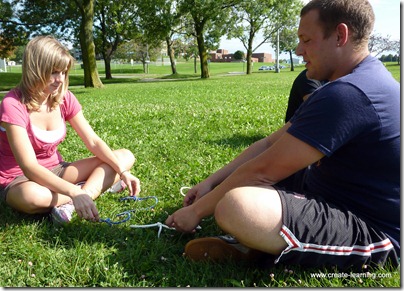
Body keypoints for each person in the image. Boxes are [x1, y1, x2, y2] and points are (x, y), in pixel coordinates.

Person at [165, 0, 400, 271]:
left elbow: (262, 171)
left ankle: (259, 247)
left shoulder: (350, 94)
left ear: (340, 35)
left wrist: (195, 212)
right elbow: (268, 144)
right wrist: (211, 182)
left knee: (237, 206)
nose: (299, 50)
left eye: (306, 40)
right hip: (330, 191)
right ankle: (262, 241)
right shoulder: (352, 82)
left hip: (375, 229)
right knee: (243, 190)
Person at [0, 35, 141, 224]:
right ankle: (90, 190)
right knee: (31, 197)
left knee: (124, 157)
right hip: (20, 179)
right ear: (36, 69)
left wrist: (122, 172)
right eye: (54, 72)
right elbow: (29, 167)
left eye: (64, 72)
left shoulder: (64, 98)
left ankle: (73, 202)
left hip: (58, 170)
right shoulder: (13, 104)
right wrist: (74, 191)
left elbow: (93, 141)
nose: (60, 80)